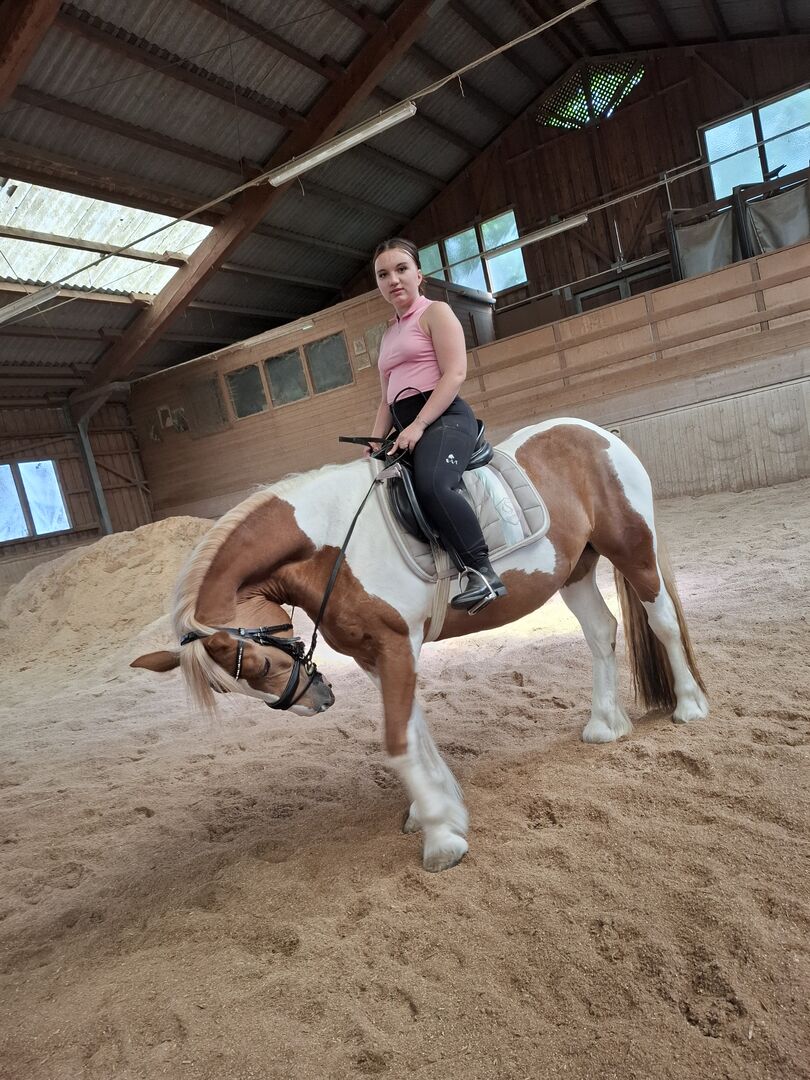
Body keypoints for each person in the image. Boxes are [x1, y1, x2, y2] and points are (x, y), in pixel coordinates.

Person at [367, 237, 506, 612]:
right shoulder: (388, 334)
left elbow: (455, 373)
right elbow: (386, 399)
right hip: (405, 425)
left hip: (444, 418)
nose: (393, 280)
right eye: (383, 274)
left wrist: (418, 425)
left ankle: (483, 573)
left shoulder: (436, 313)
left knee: (433, 484)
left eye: (401, 269)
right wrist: (374, 443)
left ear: (418, 274)